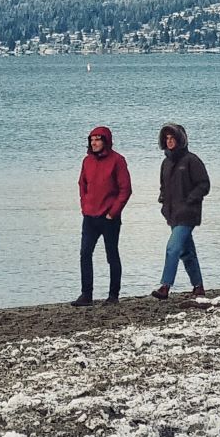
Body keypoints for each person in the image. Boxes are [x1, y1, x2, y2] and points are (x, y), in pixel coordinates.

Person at [72, 125, 133, 306]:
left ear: (105, 141)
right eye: (92, 139)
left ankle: (113, 296)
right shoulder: (87, 161)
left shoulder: (118, 160)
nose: (94, 142)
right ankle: (86, 295)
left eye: (98, 139)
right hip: (89, 217)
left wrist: (113, 212)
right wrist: (84, 205)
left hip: (109, 217)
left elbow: (126, 190)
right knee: (85, 254)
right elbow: (82, 184)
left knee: (111, 255)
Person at [151, 124, 210, 300]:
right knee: (186, 252)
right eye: (167, 138)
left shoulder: (192, 160)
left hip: (188, 214)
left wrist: (190, 200)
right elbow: (163, 186)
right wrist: (163, 202)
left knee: (172, 248)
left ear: (180, 139)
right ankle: (198, 287)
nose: (169, 141)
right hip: (172, 214)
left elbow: (204, 184)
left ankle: (165, 286)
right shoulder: (166, 163)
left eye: (172, 138)